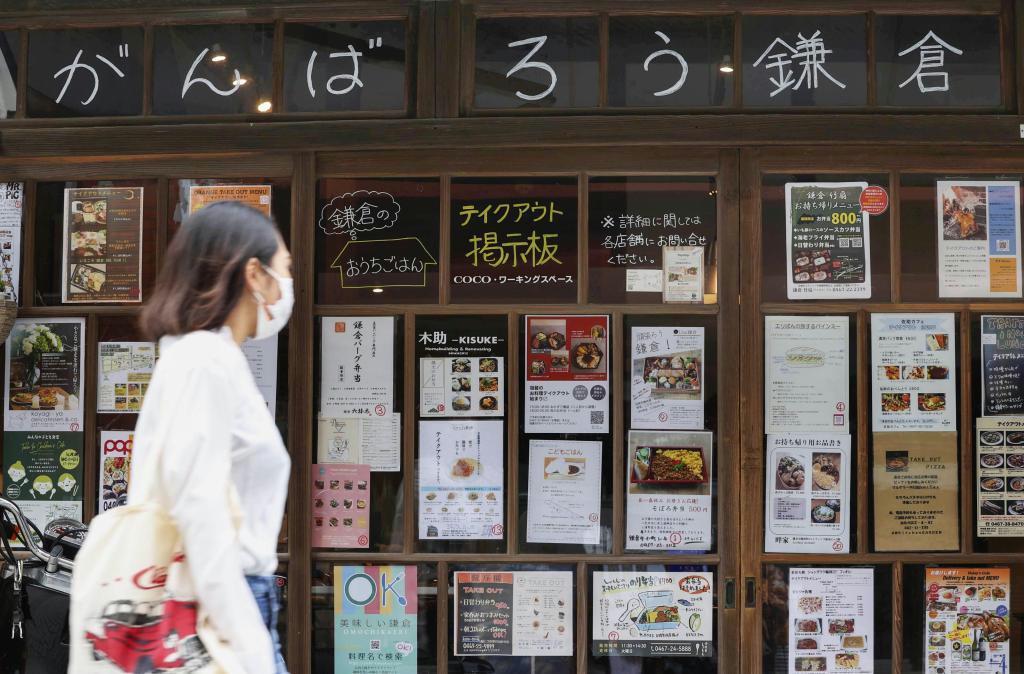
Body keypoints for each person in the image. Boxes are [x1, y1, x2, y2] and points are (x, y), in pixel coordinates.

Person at [131, 201, 292, 674]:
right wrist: (250, 647)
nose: (288, 284)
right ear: (254, 274)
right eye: (286, 268)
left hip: (218, 598)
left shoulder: (203, 357)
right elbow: (199, 508)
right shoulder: (204, 360)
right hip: (218, 604)